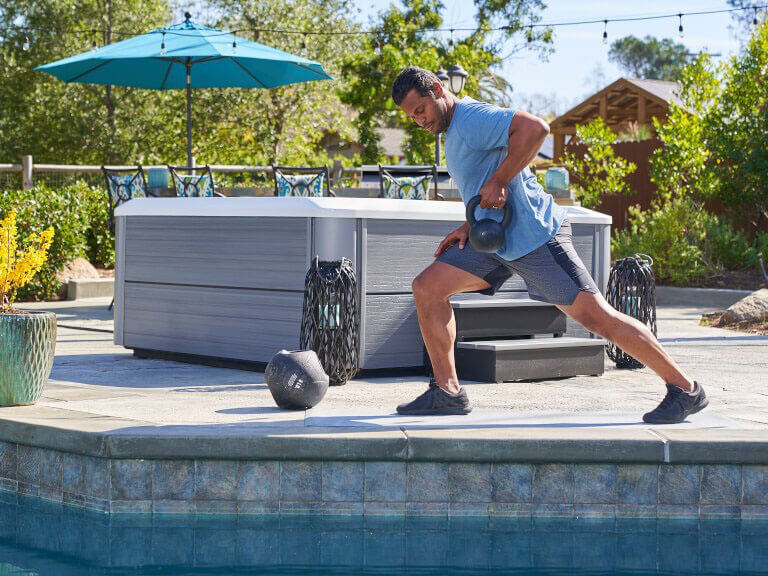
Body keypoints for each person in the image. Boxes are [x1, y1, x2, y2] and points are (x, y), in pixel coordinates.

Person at [390, 66, 708, 424]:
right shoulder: (455, 132)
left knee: (598, 318)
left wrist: (499, 181)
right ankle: (447, 391)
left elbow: (535, 128)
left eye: (421, 110)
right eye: (411, 117)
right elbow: (489, 180)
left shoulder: (470, 117)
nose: (419, 120)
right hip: (495, 241)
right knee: (428, 288)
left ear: (437, 89)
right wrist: (469, 223)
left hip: (535, 239)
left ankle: (686, 389)